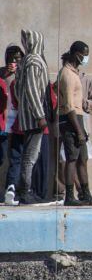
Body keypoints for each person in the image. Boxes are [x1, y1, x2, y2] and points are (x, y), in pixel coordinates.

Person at [57, 41, 92, 206]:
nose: (85, 58)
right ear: (75, 53)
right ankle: (69, 196)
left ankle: (86, 194)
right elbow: (68, 105)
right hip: (70, 119)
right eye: (84, 54)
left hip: (79, 118)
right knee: (72, 158)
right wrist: (78, 130)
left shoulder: (75, 73)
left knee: (83, 157)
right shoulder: (66, 74)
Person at [14, 30, 50, 205]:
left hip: (28, 116)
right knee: (30, 156)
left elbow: (17, 90)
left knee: (31, 154)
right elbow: (32, 89)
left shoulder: (25, 61)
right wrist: (39, 114)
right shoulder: (34, 61)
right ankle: (25, 191)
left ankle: (27, 190)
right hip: (34, 118)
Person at [1, 44, 23, 205]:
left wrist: (19, 74)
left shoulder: (23, 74)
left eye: (18, 58)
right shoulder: (2, 73)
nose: (15, 61)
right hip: (2, 122)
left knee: (16, 156)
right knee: (1, 157)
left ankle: (11, 188)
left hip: (17, 121)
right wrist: (6, 73)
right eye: (12, 58)